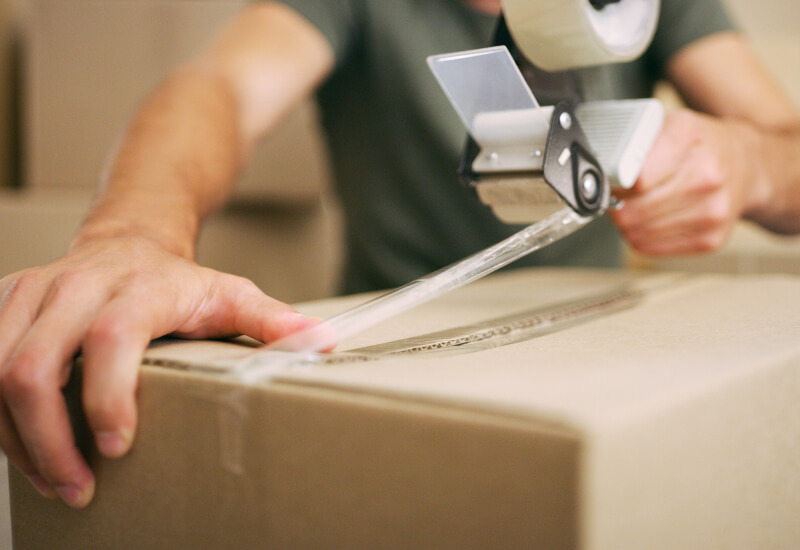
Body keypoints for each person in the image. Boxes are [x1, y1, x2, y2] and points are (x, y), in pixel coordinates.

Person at [1, 0, 798, 509]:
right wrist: (130, 238)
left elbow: (787, 150)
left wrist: (751, 164)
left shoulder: (648, 9)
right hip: (390, 362)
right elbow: (221, 88)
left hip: (603, 365)